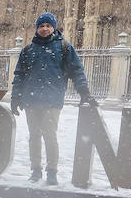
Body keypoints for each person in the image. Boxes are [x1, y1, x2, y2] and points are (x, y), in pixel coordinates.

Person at [10, 11, 96, 186]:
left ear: (54, 28)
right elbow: (19, 75)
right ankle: (35, 170)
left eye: (48, 26)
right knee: (34, 136)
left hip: (52, 99)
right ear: (36, 28)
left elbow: (76, 71)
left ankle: (52, 171)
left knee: (50, 135)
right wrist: (15, 97)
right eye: (41, 26)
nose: (44, 29)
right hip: (31, 100)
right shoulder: (28, 50)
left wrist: (84, 92)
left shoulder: (64, 47)